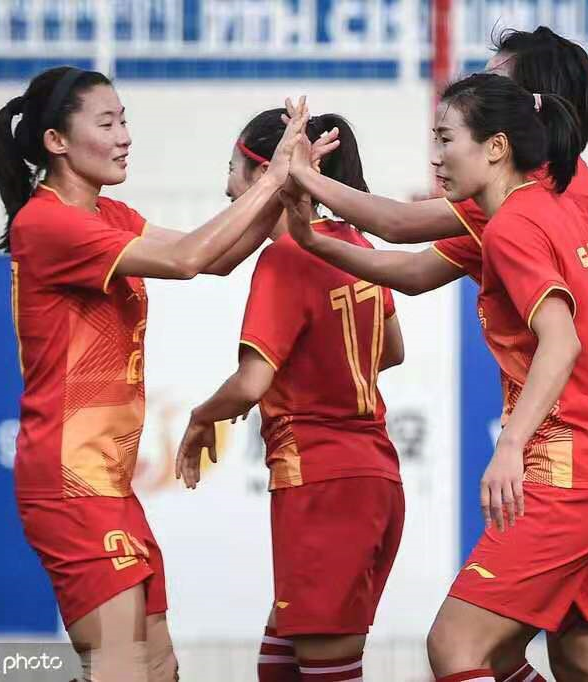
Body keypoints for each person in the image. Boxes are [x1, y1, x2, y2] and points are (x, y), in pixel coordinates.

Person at [287, 30, 588, 677]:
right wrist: (315, 237)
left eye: (450, 134)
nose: (436, 155)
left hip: (570, 454)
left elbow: (400, 225)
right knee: (581, 664)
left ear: (505, 132)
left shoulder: (518, 214)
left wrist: (301, 178)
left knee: (457, 646)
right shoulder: (557, 195)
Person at [0, 65, 315, 681]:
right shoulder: (47, 221)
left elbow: (216, 258)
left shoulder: (109, 214)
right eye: (106, 123)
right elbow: (188, 258)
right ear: (56, 141)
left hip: (109, 486)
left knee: (159, 667)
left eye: (124, 121)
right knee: (120, 666)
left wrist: (287, 189)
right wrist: (271, 177)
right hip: (69, 482)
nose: (124, 137)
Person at [175, 99, 405, 682]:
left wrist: (202, 416)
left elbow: (252, 383)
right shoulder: (355, 243)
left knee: (326, 670)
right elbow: (392, 350)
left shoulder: (285, 256)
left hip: (323, 486)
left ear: (265, 172)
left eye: (232, 169)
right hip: (374, 478)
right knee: (278, 668)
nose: (227, 187)